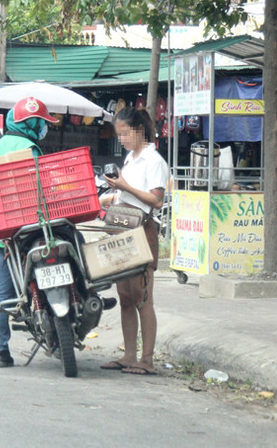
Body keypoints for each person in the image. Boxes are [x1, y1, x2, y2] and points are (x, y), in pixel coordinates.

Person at [0, 96, 58, 368]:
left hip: (0, 231)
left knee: (2, 292)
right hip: (29, 228)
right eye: (42, 123)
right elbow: (40, 188)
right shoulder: (30, 148)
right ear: (32, 123)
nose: (44, 128)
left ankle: (0, 350)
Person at [99, 106, 168, 376]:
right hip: (122, 227)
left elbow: (157, 200)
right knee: (125, 296)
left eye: (125, 134)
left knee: (142, 298)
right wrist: (112, 195)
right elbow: (126, 196)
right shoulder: (130, 158)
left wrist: (124, 187)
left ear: (139, 131)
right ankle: (129, 355)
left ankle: (147, 359)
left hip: (142, 230)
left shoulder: (154, 161)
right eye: (119, 135)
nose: (122, 139)